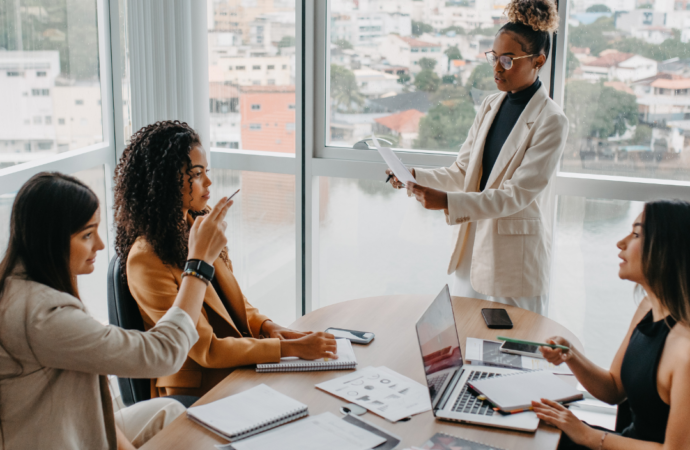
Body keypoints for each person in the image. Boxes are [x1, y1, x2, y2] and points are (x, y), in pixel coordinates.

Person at [0, 172, 232, 449]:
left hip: (66, 420)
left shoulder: (22, 284)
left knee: (168, 412)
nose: (99, 244)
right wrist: (198, 265)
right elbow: (164, 352)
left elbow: (95, 403)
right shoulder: (42, 316)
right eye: (87, 234)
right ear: (50, 240)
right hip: (50, 439)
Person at [114, 120, 336, 398]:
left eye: (206, 171)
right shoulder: (145, 260)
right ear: (163, 182)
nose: (208, 182)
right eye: (196, 174)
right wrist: (289, 349)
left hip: (232, 368)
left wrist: (269, 327)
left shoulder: (197, 223)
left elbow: (233, 302)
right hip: (194, 392)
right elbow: (207, 350)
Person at [386, 0, 566, 315]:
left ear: (539, 60)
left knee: (512, 355)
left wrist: (447, 202)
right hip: (471, 253)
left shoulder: (552, 120)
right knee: (466, 343)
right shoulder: (490, 105)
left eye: (508, 61)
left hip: (515, 265)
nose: (497, 67)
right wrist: (412, 175)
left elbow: (516, 195)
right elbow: (462, 172)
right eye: (494, 57)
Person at [532, 200, 690, 449]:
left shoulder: (685, 350)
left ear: (666, 249)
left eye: (636, 234)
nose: (621, 243)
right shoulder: (648, 307)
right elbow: (614, 388)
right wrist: (570, 355)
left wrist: (587, 435)